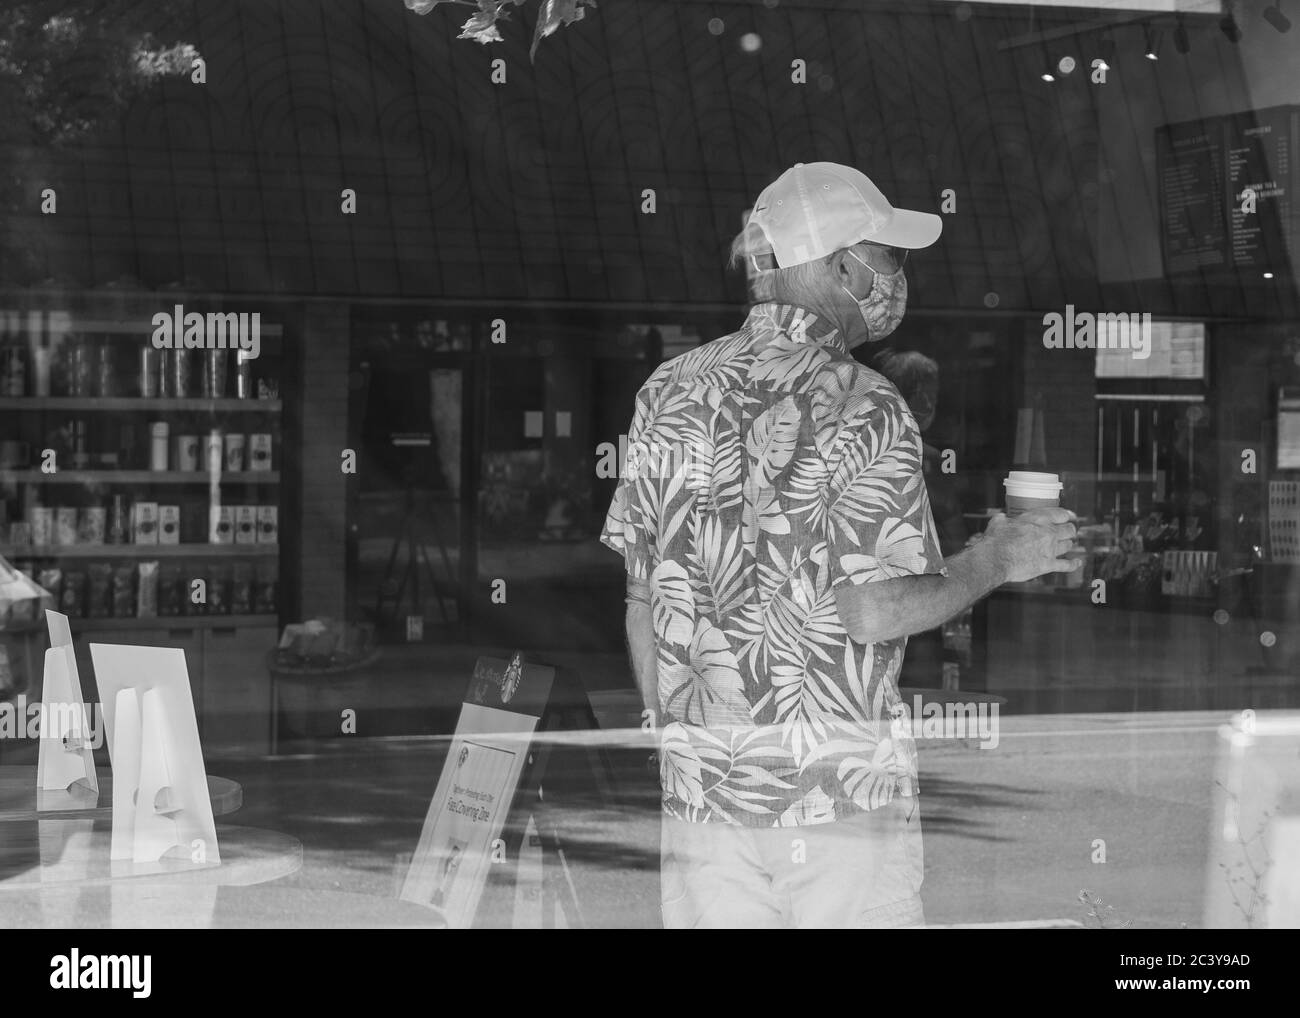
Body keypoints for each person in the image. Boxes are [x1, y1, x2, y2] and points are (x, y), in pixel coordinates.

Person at [601, 162, 1079, 929]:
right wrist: (998, 557)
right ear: (834, 267)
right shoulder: (863, 402)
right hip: (836, 801)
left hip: (702, 804)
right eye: (888, 257)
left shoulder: (667, 391)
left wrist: (683, 753)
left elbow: (640, 606)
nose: (899, 275)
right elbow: (872, 610)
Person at [872, 348, 968, 687]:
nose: (926, 403)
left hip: (921, 596)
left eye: (932, 392)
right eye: (915, 392)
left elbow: (951, 526)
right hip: (901, 598)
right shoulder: (893, 456)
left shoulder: (930, 458)